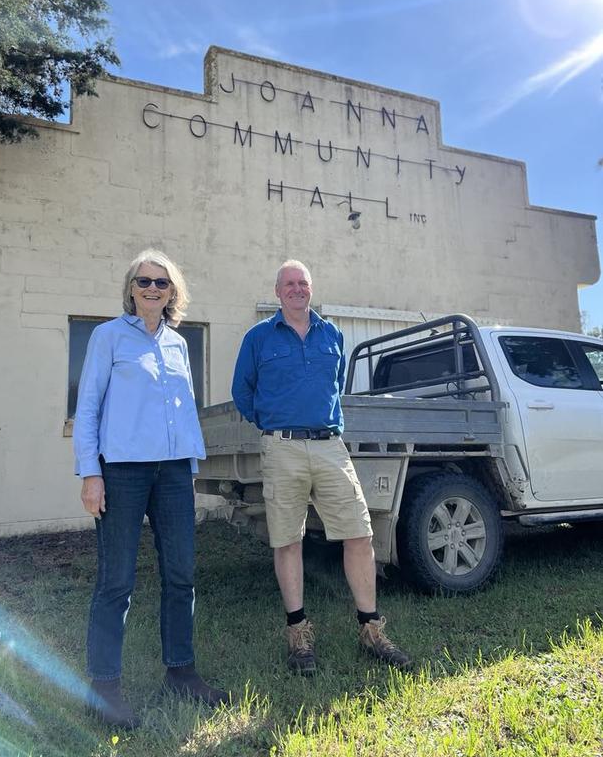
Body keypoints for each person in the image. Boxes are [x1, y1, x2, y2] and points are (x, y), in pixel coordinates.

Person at [231, 260, 411, 676]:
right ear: (278, 292)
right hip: (283, 448)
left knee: (359, 533)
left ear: (311, 289)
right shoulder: (258, 338)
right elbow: (242, 389)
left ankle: (371, 629)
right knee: (287, 540)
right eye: (289, 284)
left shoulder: (332, 334)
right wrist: (269, 420)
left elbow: (336, 384)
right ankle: (298, 634)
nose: (297, 289)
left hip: (331, 446)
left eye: (303, 283)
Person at [74, 249, 227, 729]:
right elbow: (89, 408)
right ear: (131, 288)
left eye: (162, 283)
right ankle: (104, 687)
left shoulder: (178, 344)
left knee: (181, 575)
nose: (153, 289)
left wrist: (192, 463)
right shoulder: (108, 337)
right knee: (116, 580)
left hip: (175, 473)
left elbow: (182, 410)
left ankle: (181, 673)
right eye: (144, 282)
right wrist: (90, 473)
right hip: (121, 471)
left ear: (172, 292)